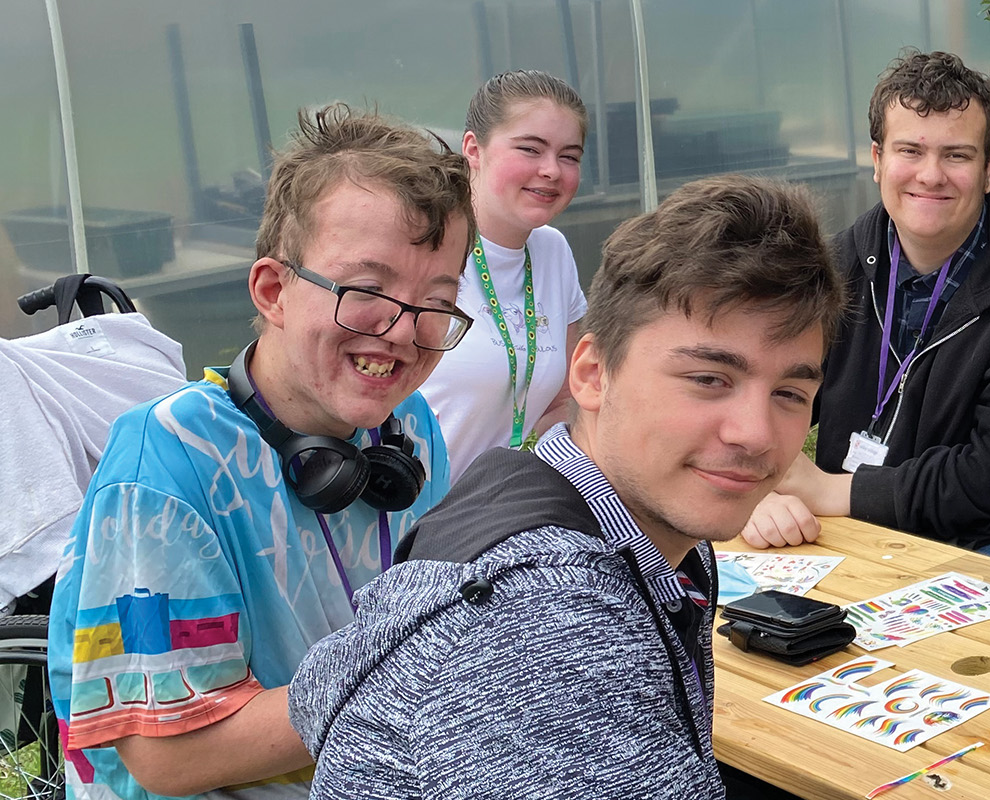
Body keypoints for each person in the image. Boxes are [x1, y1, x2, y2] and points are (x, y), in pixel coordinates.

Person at [289, 176, 844, 799]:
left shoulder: (549, 497)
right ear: (592, 373)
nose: (756, 434)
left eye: (790, 394)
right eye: (709, 379)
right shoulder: (548, 633)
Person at [49, 104, 473, 799]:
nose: (402, 331)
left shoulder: (408, 426)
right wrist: (396, 674)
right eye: (367, 289)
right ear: (274, 290)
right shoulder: (166, 467)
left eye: (435, 300)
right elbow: (171, 755)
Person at [738, 50, 990, 580]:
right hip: (861, 522)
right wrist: (762, 490)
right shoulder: (837, 265)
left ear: (988, 169)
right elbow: (762, 394)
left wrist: (828, 491)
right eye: (910, 149)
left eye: (956, 155)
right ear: (877, 159)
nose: (930, 175)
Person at [421, 70, 590, 478]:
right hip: (407, 517)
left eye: (569, 156)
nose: (551, 170)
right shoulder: (424, 247)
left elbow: (562, 404)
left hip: (499, 517)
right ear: (473, 150)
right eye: (531, 149)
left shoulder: (553, 250)